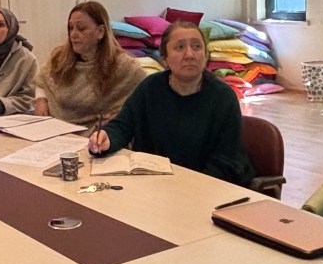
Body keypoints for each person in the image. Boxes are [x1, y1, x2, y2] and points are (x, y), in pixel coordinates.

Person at [89, 20, 253, 185]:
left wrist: (188, 187)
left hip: (206, 186)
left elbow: (226, 160)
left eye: (197, 46)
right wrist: (106, 139)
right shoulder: (150, 87)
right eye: (180, 47)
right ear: (164, 58)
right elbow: (123, 125)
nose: (189, 54)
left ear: (205, 55)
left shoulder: (223, 97)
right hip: (154, 183)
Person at [33, 0, 143, 127]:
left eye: (81, 28)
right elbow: (41, 80)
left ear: (100, 32)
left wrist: (119, 117)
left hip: (96, 133)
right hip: (54, 129)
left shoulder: (124, 66)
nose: (73, 34)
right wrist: (40, 99)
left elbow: (144, 99)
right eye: (71, 28)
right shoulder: (59, 58)